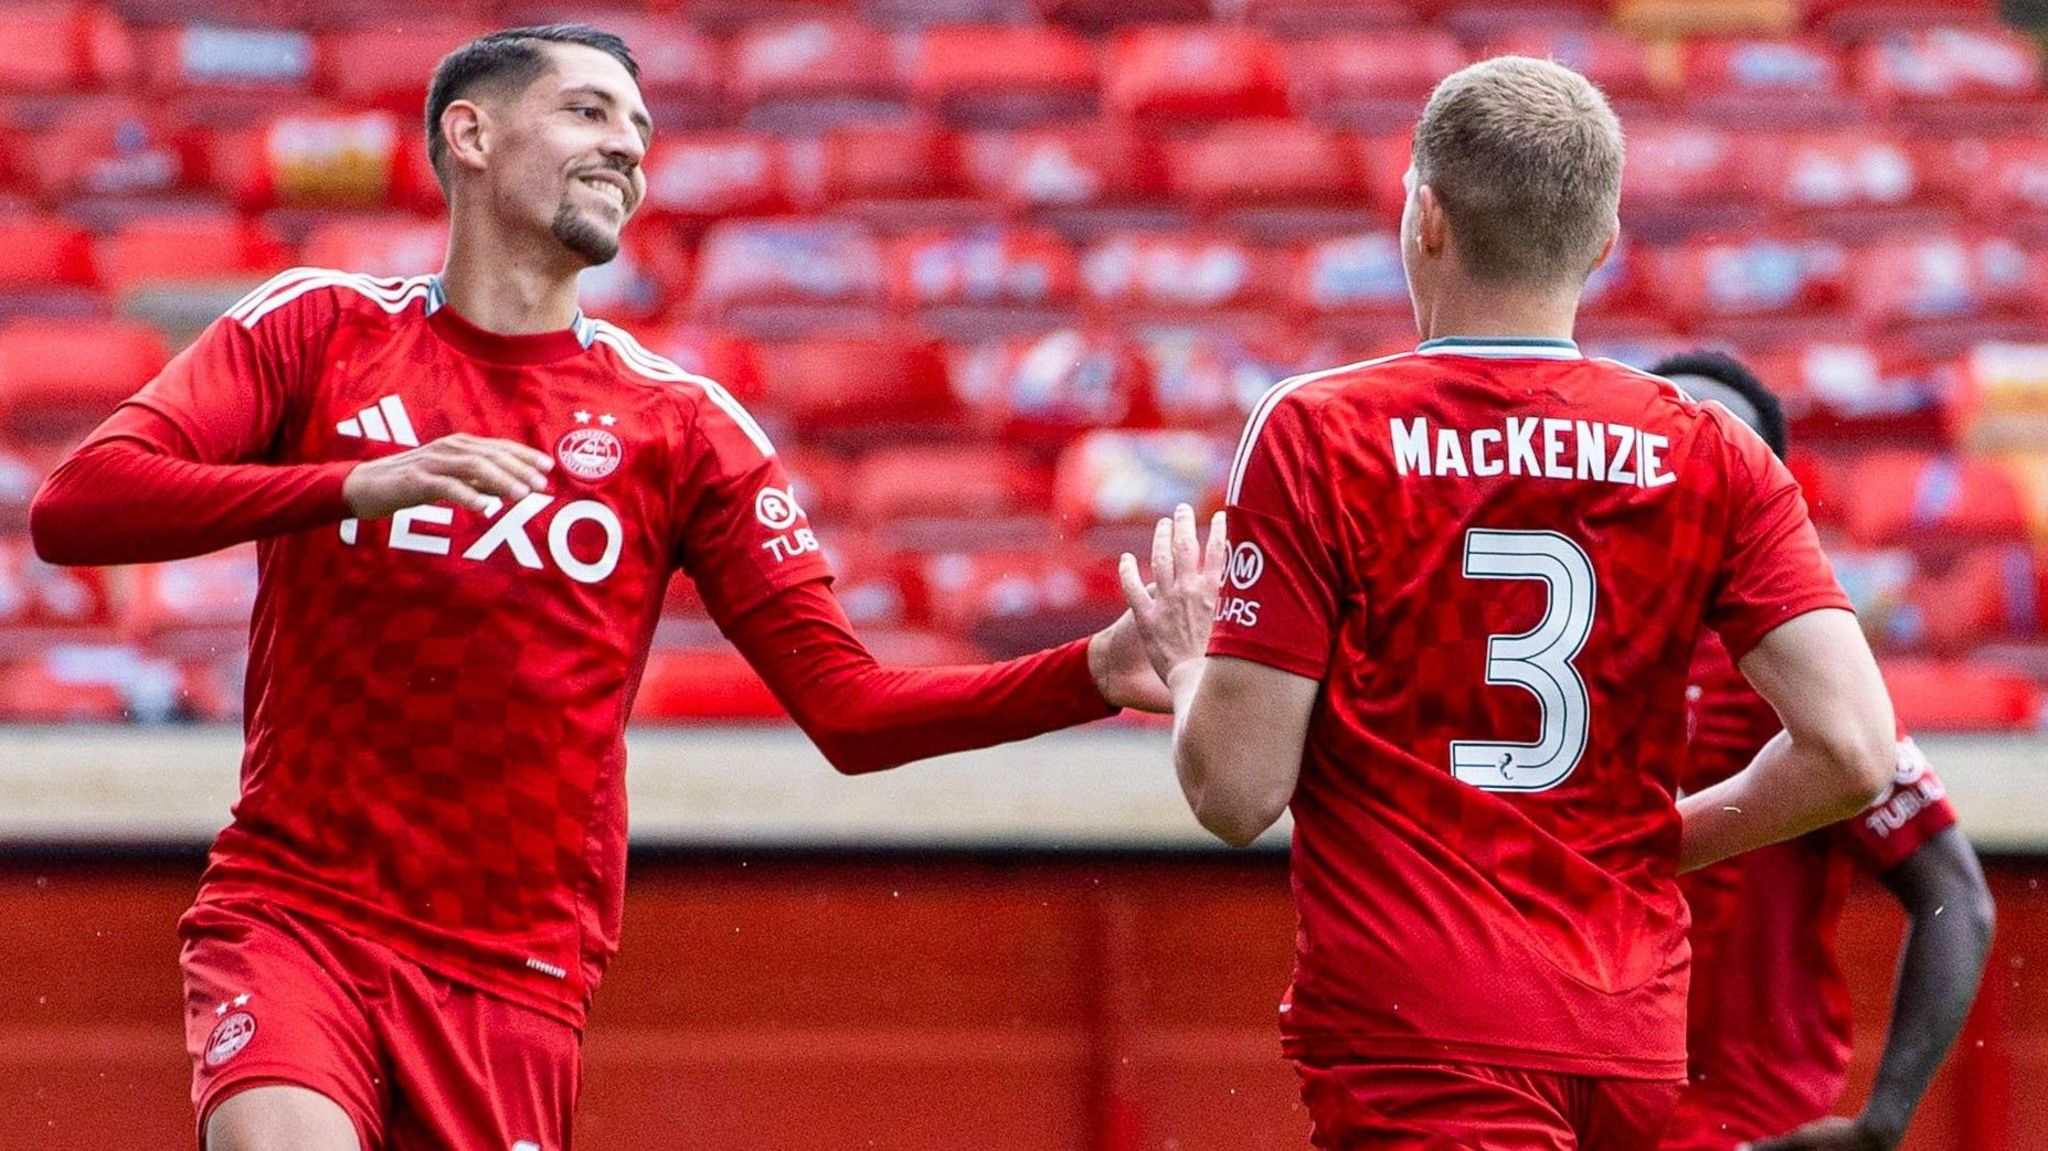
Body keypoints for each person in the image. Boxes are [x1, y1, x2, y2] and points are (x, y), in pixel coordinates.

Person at [28, 25, 1168, 1151]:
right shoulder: (317, 326)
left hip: (514, 969)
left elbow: (850, 713)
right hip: (297, 910)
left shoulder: (682, 427)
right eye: (587, 111)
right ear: (467, 135)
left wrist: (1090, 672)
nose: (626, 146)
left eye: (639, 128)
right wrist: (349, 485)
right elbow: (79, 506)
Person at [1117, 57, 1898, 1150]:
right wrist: (1651, 842)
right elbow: (1855, 749)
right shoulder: (1711, 448)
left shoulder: (1318, 430)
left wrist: (1190, 659)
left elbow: (1236, 792)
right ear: (1602, 238)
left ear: (1425, 217)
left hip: (1424, 1031)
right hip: (1627, 1028)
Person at [1645, 351, 1994, 1151]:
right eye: (1666, 431)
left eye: (1718, 439)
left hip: (1742, 1123)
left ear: (1759, 486)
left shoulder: (1796, 671)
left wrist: (1883, 1122)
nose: (1688, 456)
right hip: (1561, 1108)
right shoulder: (1544, 646)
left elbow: (1957, 899)